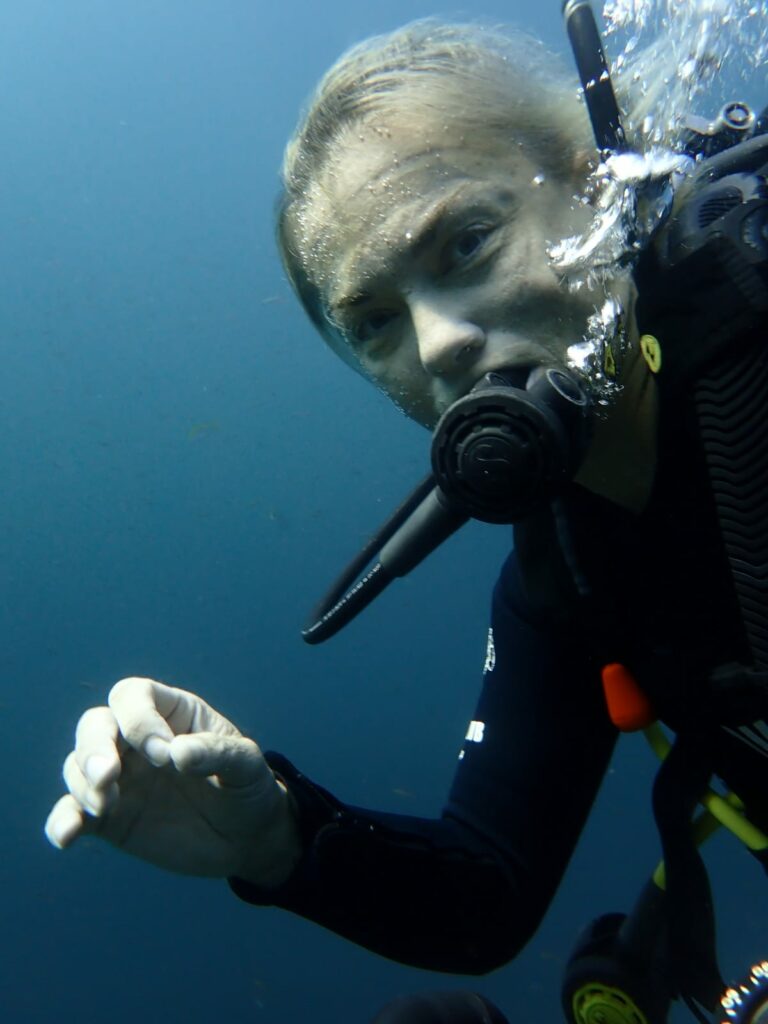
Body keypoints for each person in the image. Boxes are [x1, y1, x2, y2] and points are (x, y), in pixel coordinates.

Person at [44, 17, 768, 1021]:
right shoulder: (564, 569)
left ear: (597, 181)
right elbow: (485, 898)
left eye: (467, 242)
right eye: (375, 321)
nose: (438, 342)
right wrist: (277, 836)